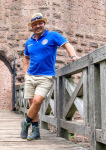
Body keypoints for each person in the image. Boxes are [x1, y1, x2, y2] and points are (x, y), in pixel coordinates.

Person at [21, 13, 79, 141]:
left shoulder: (53, 35)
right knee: (33, 105)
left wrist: (73, 56)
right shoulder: (29, 42)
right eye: (35, 24)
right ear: (32, 27)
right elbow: (25, 57)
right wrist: (25, 74)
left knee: (37, 101)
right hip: (31, 76)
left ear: (44, 24)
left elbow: (66, 44)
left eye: (40, 23)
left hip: (46, 76)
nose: (38, 26)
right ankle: (36, 132)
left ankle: (25, 123)